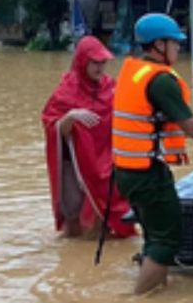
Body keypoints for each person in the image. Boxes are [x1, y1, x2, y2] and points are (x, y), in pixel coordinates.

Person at [112, 13, 193, 295]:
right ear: (159, 44)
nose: (179, 48)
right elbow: (191, 128)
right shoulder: (161, 81)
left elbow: (164, 120)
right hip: (147, 174)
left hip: (127, 169)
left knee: (154, 236)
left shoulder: (135, 71)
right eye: (175, 43)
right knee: (167, 241)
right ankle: (139, 301)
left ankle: (157, 295)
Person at [41, 36, 135, 239]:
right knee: (72, 215)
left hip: (104, 159)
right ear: (83, 61)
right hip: (73, 162)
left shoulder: (112, 88)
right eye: (95, 62)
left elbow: (129, 116)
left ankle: (97, 250)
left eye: (103, 63)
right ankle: (72, 255)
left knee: (107, 208)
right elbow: (53, 127)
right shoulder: (66, 91)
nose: (100, 68)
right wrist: (71, 116)